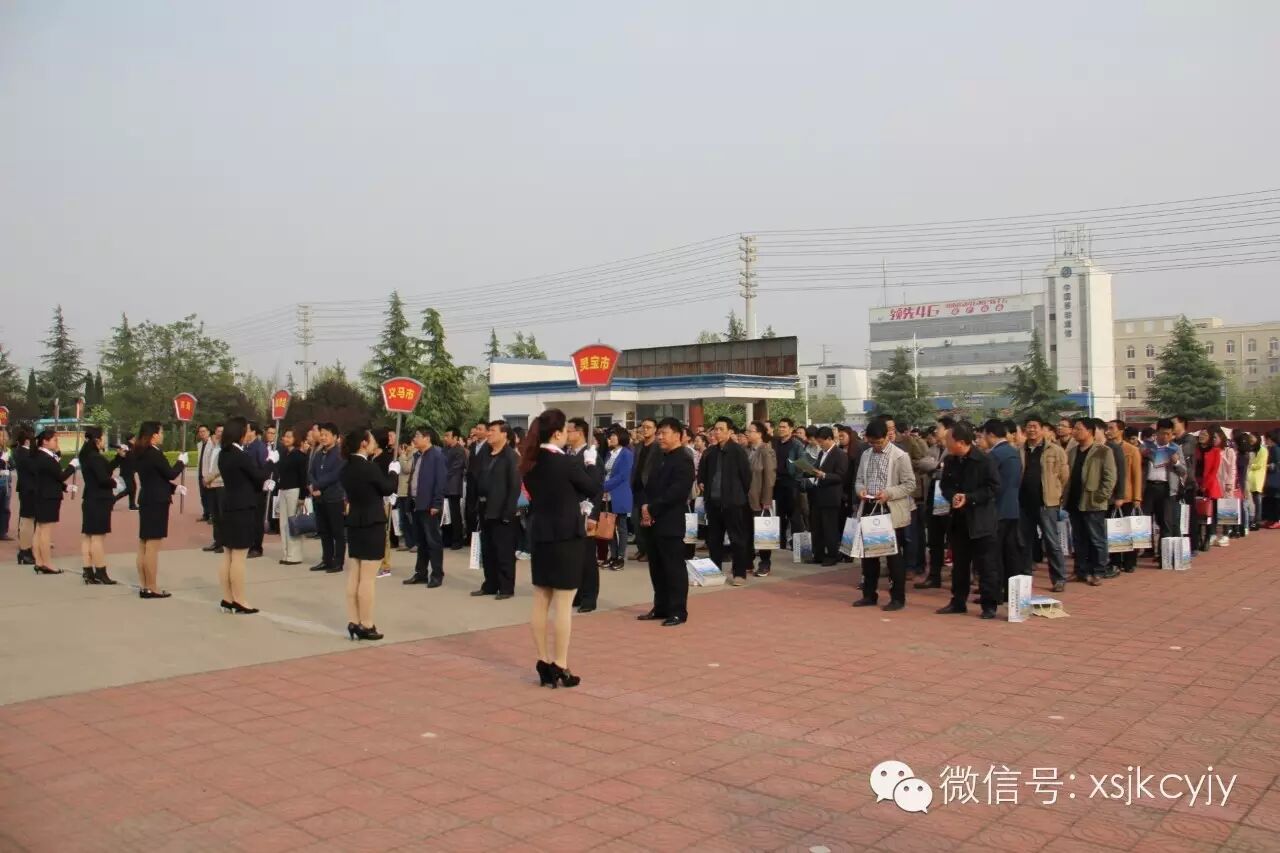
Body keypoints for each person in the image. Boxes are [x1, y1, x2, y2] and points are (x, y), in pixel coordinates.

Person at [521, 410, 600, 687]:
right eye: (565, 429)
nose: (568, 433)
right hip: (566, 535)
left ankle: (543, 660)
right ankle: (560, 664)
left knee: (541, 598)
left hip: (541, 535)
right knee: (564, 604)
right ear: (556, 433)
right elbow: (592, 487)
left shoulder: (530, 463)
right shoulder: (565, 462)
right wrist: (591, 463)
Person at [937, 421, 1001, 619]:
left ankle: (989, 605)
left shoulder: (984, 460)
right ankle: (958, 601)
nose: (946, 443)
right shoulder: (950, 460)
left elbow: (993, 488)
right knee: (960, 565)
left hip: (981, 521)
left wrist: (970, 498)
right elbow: (945, 486)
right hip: (959, 520)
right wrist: (953, 496)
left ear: (961, 442)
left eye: (949, 439)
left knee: (986, 565)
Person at [851, 417, 916, 611]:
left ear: (887, 437)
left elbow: (909, 484)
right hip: (869, 507)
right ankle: (869, 594)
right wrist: (860, 490)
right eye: (871, 443)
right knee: (868, 556)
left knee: (893, 557)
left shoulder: (900, 456)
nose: (875, 446)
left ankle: (897, 598)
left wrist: (889, 493)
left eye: (878, 442)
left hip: (890, 510)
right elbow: (859, 480)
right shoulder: (866, 454)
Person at [340, 428, 399, 640]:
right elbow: (387, 488)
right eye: (371, 440)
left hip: (354, 522)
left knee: (354, 574)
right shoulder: (369, 467)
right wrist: (393, 472)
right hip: (372, 522)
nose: (374, 443)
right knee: (367, 579)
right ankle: (366, 623)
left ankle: (353, 620)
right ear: (363, 444)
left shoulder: (346, 468)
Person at [637, 417, 696, 626]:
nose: (660, 437)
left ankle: (678, 610)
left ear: (678, 435)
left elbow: (676, 493)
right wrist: (645, 507)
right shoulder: (660, 457)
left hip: (670, 521)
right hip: (652, 521)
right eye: (659, 433)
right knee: (657, 567)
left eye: (664, 433)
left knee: (673, 568)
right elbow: (648, 486)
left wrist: (652, 508)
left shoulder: (684, 459)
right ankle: (660, 606)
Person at [216, 417, 273, 614]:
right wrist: (271, 462)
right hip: (242, 507)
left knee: (228, 554)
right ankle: (239, 599)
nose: (249, 434)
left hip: (229, 504)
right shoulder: (239, 455)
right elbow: (258, 475)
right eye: (247, 430)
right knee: (239, 556)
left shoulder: (223, 453)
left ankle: (228, 598)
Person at [133, 421, 187, 598]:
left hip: (147, 498)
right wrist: (181, 462)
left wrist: (173, 488)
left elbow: (156, 478)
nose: (162, 435)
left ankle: (144, 585)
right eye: (161, 432)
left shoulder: (141, 452)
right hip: (157, 501)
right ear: (154, 435)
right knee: (152, 546)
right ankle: (152, 586)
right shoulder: (154, 453)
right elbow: (170, 473)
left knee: (144, 544)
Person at [697, 417, 754, 584]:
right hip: (713, 503)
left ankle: (739, 573)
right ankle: (714, 571)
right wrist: (702, 482)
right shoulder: (710, 452)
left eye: (721, 429)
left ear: (730, 432)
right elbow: (702, 473)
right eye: (715, 429)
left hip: (733, 503)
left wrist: (738, 495)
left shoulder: (738, 451)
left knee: (737, 539)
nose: (717, 432)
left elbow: (746, 477)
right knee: (714, 540)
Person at [1019, 416, 1070, 592]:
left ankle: (1059, 578)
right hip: (1024, 504)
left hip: (1046, 503)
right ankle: (1025, 578)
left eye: (1035, 426)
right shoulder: (1020, 450)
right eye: (1028, 426)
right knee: (1024, 542)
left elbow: (1064, 476)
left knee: (1051, 542)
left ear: (1042, 429)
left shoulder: (1055, 450)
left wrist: (1055, 493)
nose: (1032, 430)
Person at [472, 420, 521, 599]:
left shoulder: (511, 456)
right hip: (484, 508)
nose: (489, 434)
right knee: (488, 549)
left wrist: (508, 513)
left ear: (504, 434)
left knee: (504, 551)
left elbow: (514, 487)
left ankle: (506, 587)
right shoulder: (485, 453)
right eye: (489, 430)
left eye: (493, 431)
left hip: (502, 511)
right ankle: (490, 584)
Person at [980, 418, 1028, 596]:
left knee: (995, 554)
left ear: (991, 435)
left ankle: (996, 592)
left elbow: (990, 484)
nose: (982, 439)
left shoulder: (994, 455)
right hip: (1012, 509)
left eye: (983, 435)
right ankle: (1011, 591)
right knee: (1011, 552)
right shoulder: (1014, 452)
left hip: (997, 510)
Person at [1066, 418, 1116, 585]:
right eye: (1074, 429)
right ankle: (1080, 570)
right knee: (1078, 538)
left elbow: (1110, 477)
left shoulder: (1103, 451)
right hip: (1074, 501)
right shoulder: (1072, 451)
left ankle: (1099, 571)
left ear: (1089, 431)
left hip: (1093, 501)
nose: (1074, 432)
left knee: (1096, 538)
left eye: (1078, 429)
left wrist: (1101, 496)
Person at [564, 418, 602, 613]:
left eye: (568, 430)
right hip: (568, 512)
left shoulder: (590, 455)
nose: (565, 434)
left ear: (579, 433)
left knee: (587, 557)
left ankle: (589, 597)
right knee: (573, 557)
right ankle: (577, 593)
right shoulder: (567, 454)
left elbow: (596, 488)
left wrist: (593, 515)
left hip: (585, 511)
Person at [29, 428, 77, 575]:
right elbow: (60, 476)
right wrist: (72, 466)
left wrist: (65, 487)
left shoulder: (40, 456)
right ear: (45, 441)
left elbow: (50, 478)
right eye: (55, 440)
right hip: (48, 497)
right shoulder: (45, 458)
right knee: (45, 531)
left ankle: (39, 561)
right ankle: (47, 562)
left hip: (42, 495)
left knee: (39, 529)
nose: (57, 442)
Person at [404, 426, 447, 587]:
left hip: (429, 505)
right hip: (417, 503)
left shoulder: (437, 455)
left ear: (427, 438)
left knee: (433, 541)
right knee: (421, 541)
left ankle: (437, 574)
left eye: (417, 436)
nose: (414, 439)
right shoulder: (417, 455)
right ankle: (420, 573)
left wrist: (437, 503)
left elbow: (441, 481)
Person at [77, 426, 119, 585]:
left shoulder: (87, 456)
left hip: (90, 498)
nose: (105, 441)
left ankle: (88, 570)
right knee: (97, 537)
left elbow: (106, 469)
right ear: (97, 440)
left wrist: (119, 458)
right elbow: (103, 478)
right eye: (103, 437)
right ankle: (100, 571)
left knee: (88, 536)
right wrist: (115, 483)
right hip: (99, 499)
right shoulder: (95, 457)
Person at [916, 417, 954, 590]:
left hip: (949, 500)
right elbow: (922, 463)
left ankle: (960, 574)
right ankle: (934, 575)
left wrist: (936, 468)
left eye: (938, 428)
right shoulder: (933, 448)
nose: (936, 432)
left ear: (948, 430)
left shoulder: (954, 449)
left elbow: (947, 472)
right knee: (934, 540)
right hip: (933, 498)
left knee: (954, 540)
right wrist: (938, 466)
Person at [1142, 418, 1188, 559]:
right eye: (1163, 433)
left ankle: (1164, 556)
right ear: (1157, 433)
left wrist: (1176, 462)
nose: (1165, 437)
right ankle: (1148, 549)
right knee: (1144, 520)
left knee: (1165, 523)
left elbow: (1183, 471)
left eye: (1169, 434)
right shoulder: (1147, 447)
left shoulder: (1175, 448)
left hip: (1166, 489)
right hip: (1148, 487)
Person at [804, 426, 848, 566]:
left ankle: (832, 555)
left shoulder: (840, 454)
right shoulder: (821, 454)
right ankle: (818, 554)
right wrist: (810, 470)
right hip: (818, 494)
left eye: (821, 441)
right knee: (817, 527)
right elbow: (817, 469)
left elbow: (841, 476)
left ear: (829, 439)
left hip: (831, 496)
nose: (820, 444)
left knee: (830, 528)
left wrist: (824, 475)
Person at [308, 423, 346, 573]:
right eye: (322, 434)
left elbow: (335, 475)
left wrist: (318, 486)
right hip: (319, 498)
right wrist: (312, 485)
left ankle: (338, 561)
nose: (323, 437)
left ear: (335, 437)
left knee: (337, 531)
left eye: (326, 435)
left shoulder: (340, 454)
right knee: (324, 531)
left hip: (334, 497)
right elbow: (311, 472)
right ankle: (327, 560)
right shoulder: (319, 454)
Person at [1106, 419, 1143, 573]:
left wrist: (1137, 498)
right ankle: (1115, 561)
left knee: (1129, 530)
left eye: (1111, 428)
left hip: (1127, 496)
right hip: (1110, 496)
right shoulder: (1105, 448)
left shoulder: (1131, 450)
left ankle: (1130, 561)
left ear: (1120, 430)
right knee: (1113, 530)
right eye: (1107, 428)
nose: (1108, 431)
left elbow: (1137, 475)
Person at [769, 418, 804, 569]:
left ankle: (797, 547)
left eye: (784, 427)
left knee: (794, 516)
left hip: (791, 483)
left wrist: (796, 480)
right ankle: (781, 543)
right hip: (776, 482)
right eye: (780, 427)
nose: (781, 429)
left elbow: (801, 464)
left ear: (791, 429)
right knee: (779, 515)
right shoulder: (774, 443)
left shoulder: (797, 445)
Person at [745, 421, 777, 579]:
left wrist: (766, 499)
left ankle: (765, 563)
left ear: (759, 434)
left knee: (762, 532)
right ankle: (747, 562)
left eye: (751, 431)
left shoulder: (766, 451)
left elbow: (770, 477)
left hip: (759, 498)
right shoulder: (747, 450)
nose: (748, 433)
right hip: (745, 498)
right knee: (747, 531)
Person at [599, 425, 634, 571]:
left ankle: (620, 557)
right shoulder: (609, 453)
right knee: (609, 526)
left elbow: (622, 476)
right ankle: (612, 555)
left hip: (619, 493)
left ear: (621, 437)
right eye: (610, 436)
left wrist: (604, 486)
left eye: (614, 435)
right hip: (606, 494)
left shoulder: (626, 453)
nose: (611, 438)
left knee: (621, 527)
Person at [276, 427, 308, 565]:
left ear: (296, 439)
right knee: (283, 523)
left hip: (294, 491)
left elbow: (303, 478)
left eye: (290, 436)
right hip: (283, 490)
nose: (286, 439)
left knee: (293, 523)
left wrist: (302, 496)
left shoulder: (299, 456)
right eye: (285, 436)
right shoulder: (283, 454)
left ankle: (295, 555)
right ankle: (286, 553)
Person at [630, 418, 659, 562]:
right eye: (643, 427)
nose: (645, 429)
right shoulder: (638, 446)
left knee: (648, 520)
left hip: (650, 488)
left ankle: (649, 551)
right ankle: (641, 549)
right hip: (636, 487)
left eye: (648, 427)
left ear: (655, 429)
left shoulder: (658, 447)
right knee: (636, 520)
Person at [11, 426, 36, 564]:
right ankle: (25, 550)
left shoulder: (20, 451)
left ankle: (25, 549)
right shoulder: (25, 453)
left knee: (27, 520)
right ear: (27, 441)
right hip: (29, 489)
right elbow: (36, 469)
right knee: (28, 520)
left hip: (26, 489)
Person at [442, 428, 467, 549]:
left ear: (455, 438)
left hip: (454, 486)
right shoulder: (444, 449)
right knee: (445, 513)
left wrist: (443, 473)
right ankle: (446, 539)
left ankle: (457, 540)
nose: (445, 438)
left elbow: (456, 467)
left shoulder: (460, 450)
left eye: (448, 436)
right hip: (444, 486)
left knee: (455, 514)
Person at [1247, 431, 1267, 531]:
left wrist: (1249, 465)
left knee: (1257, 500)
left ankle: (1257, 521)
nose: (1250, 439)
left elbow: (1260, 464)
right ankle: (1251, 520)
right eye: (1249, 437)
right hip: (1249, 477)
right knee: (1250, 501)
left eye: (1252, 437)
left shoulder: (1263, 450)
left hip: (1257, 477)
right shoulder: (1249, 449)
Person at [194, 424, 212, 522]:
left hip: (208, 474)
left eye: (204, 431)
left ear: (208, 432)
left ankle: (211, 515)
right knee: (203, 495)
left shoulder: (212, 444)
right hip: (200, 473)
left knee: (210, 495)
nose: (202, 434)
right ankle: (206, 514)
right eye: (200, 432)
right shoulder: (200, 444)